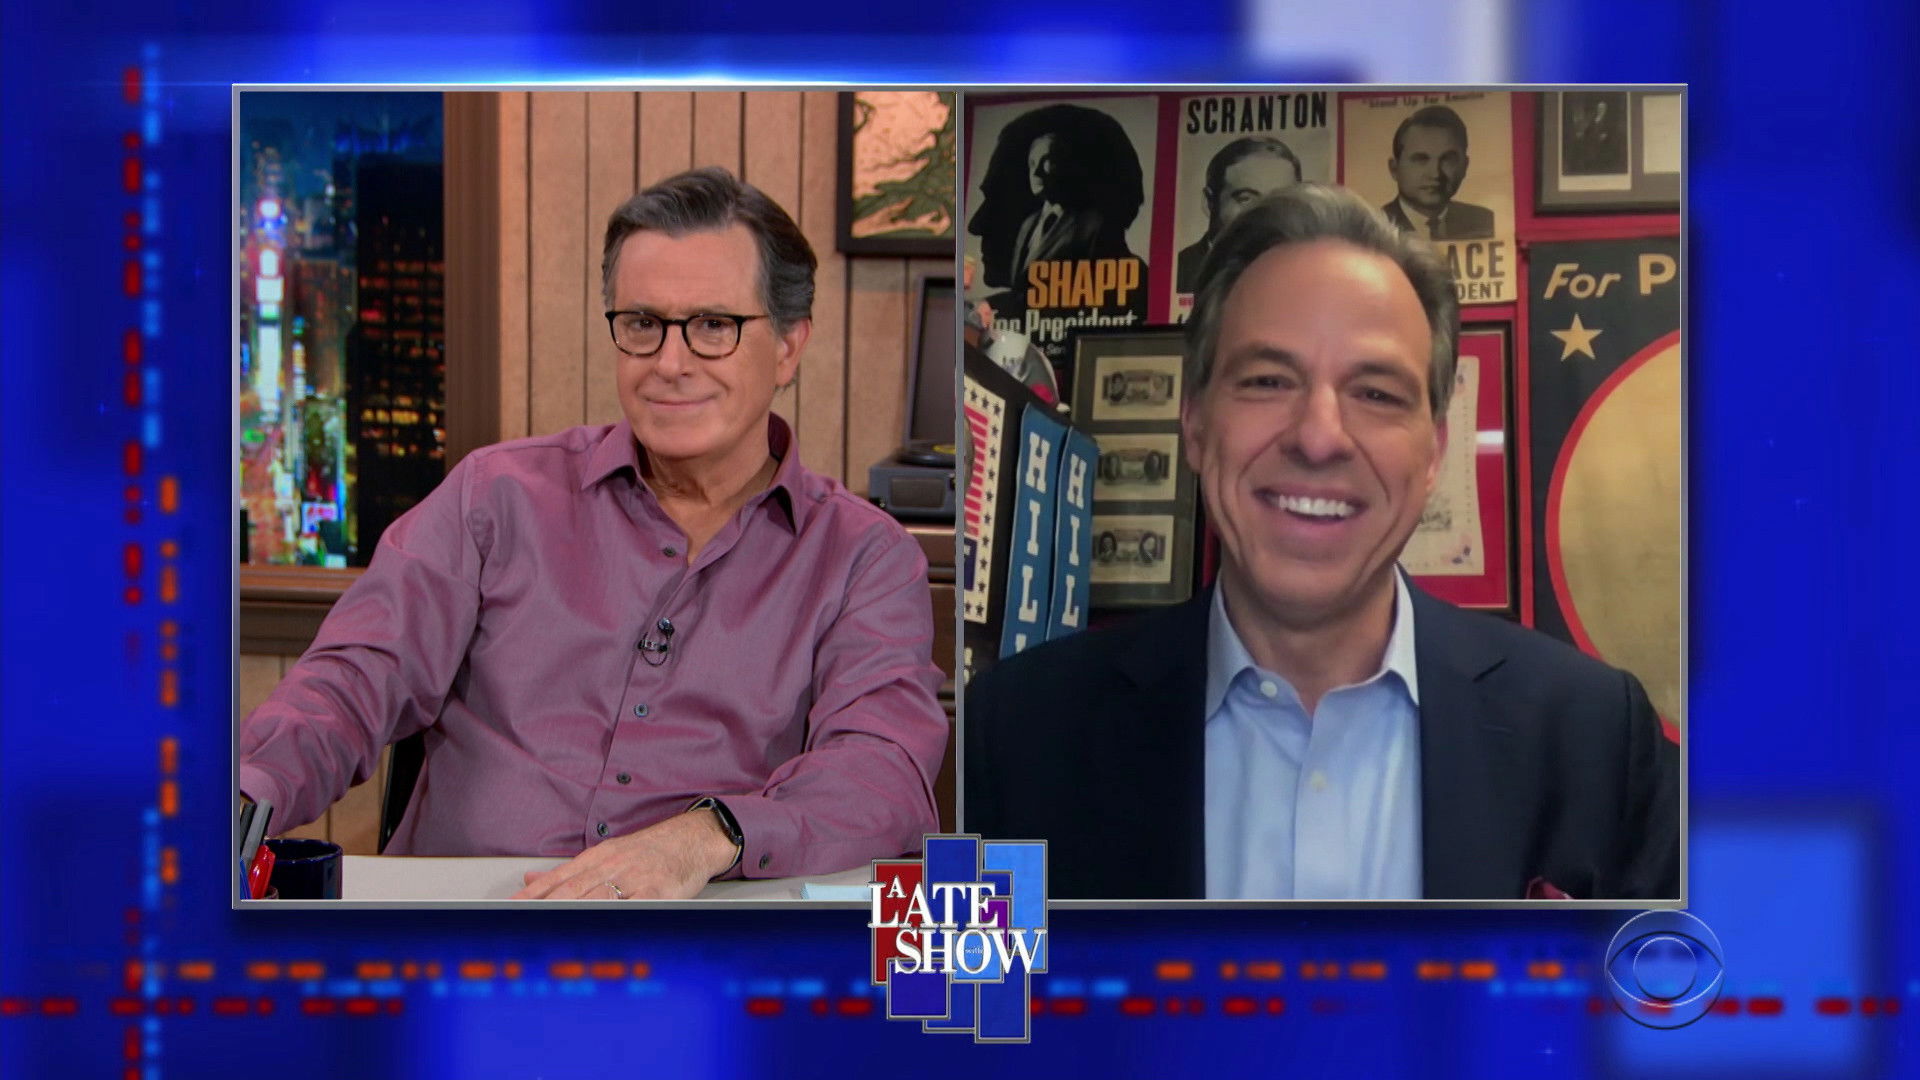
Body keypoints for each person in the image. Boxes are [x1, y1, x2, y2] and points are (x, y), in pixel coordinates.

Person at [241, 167, 949, 899]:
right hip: (460, 929)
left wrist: (707, 836)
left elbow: (881, 774)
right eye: (642, 324)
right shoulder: (497, 497)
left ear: (789, 346)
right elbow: (352, 680)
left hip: (689, 933)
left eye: (713, 326)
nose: (669, 364)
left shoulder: (864, 559)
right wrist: (242, 796)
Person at [964, 184, 1678, 901]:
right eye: (1268, 380)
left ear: (1434, 451)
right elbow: (952, 977)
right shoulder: (1008, 734)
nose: (1318, 437)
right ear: (1196, 424)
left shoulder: (1599, 739)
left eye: (1376, 394)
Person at [966, 103, 1145, 300]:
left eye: (1047, 162)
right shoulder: (1029, 225)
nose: (1036, 173)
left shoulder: (1093, 227)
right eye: (1032, 164)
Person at [1175, 137, 1303, 294]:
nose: (1265, 214)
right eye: (1246, 199)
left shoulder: (1310, 274)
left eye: (1280, 200)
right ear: (1209, 202)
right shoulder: (1178, 274)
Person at [1380, 105, 1495, 241]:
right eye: (1421, 159)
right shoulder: (1374, 225)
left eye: (1447, 159)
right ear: (1394, 169)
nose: (1435, 174)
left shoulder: (1484, 221)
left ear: (1465, 166)